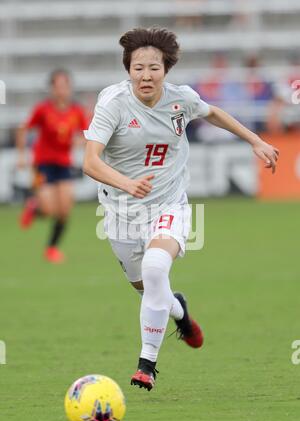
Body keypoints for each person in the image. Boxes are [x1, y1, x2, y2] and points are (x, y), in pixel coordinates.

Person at [83, 27, 279, 391]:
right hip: (120, 213)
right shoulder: (112, 104)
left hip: (168, 203)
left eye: (154, 68)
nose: (146, 75)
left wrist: (256, 140)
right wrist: (126, 183)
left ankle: (146, 364)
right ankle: (181, 312)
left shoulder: (181, 99)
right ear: (128, 70)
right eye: (138, 68)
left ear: (166, 70)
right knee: (150, 291)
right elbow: (90, 162)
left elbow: (213, 112)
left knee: (156, 268)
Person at [16, 69, 88, 263]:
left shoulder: (76, 111)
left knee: (64, 210)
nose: (62, 90)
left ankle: (51, 249)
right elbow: (23, 129)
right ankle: (34, 206)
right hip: (43, 164)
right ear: (52, 89)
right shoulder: (43, 109)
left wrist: (80, 142)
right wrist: (21, 155)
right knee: (49, 210)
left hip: (64, 164)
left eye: (65, 86)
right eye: (58, 86)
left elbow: (87, 134)